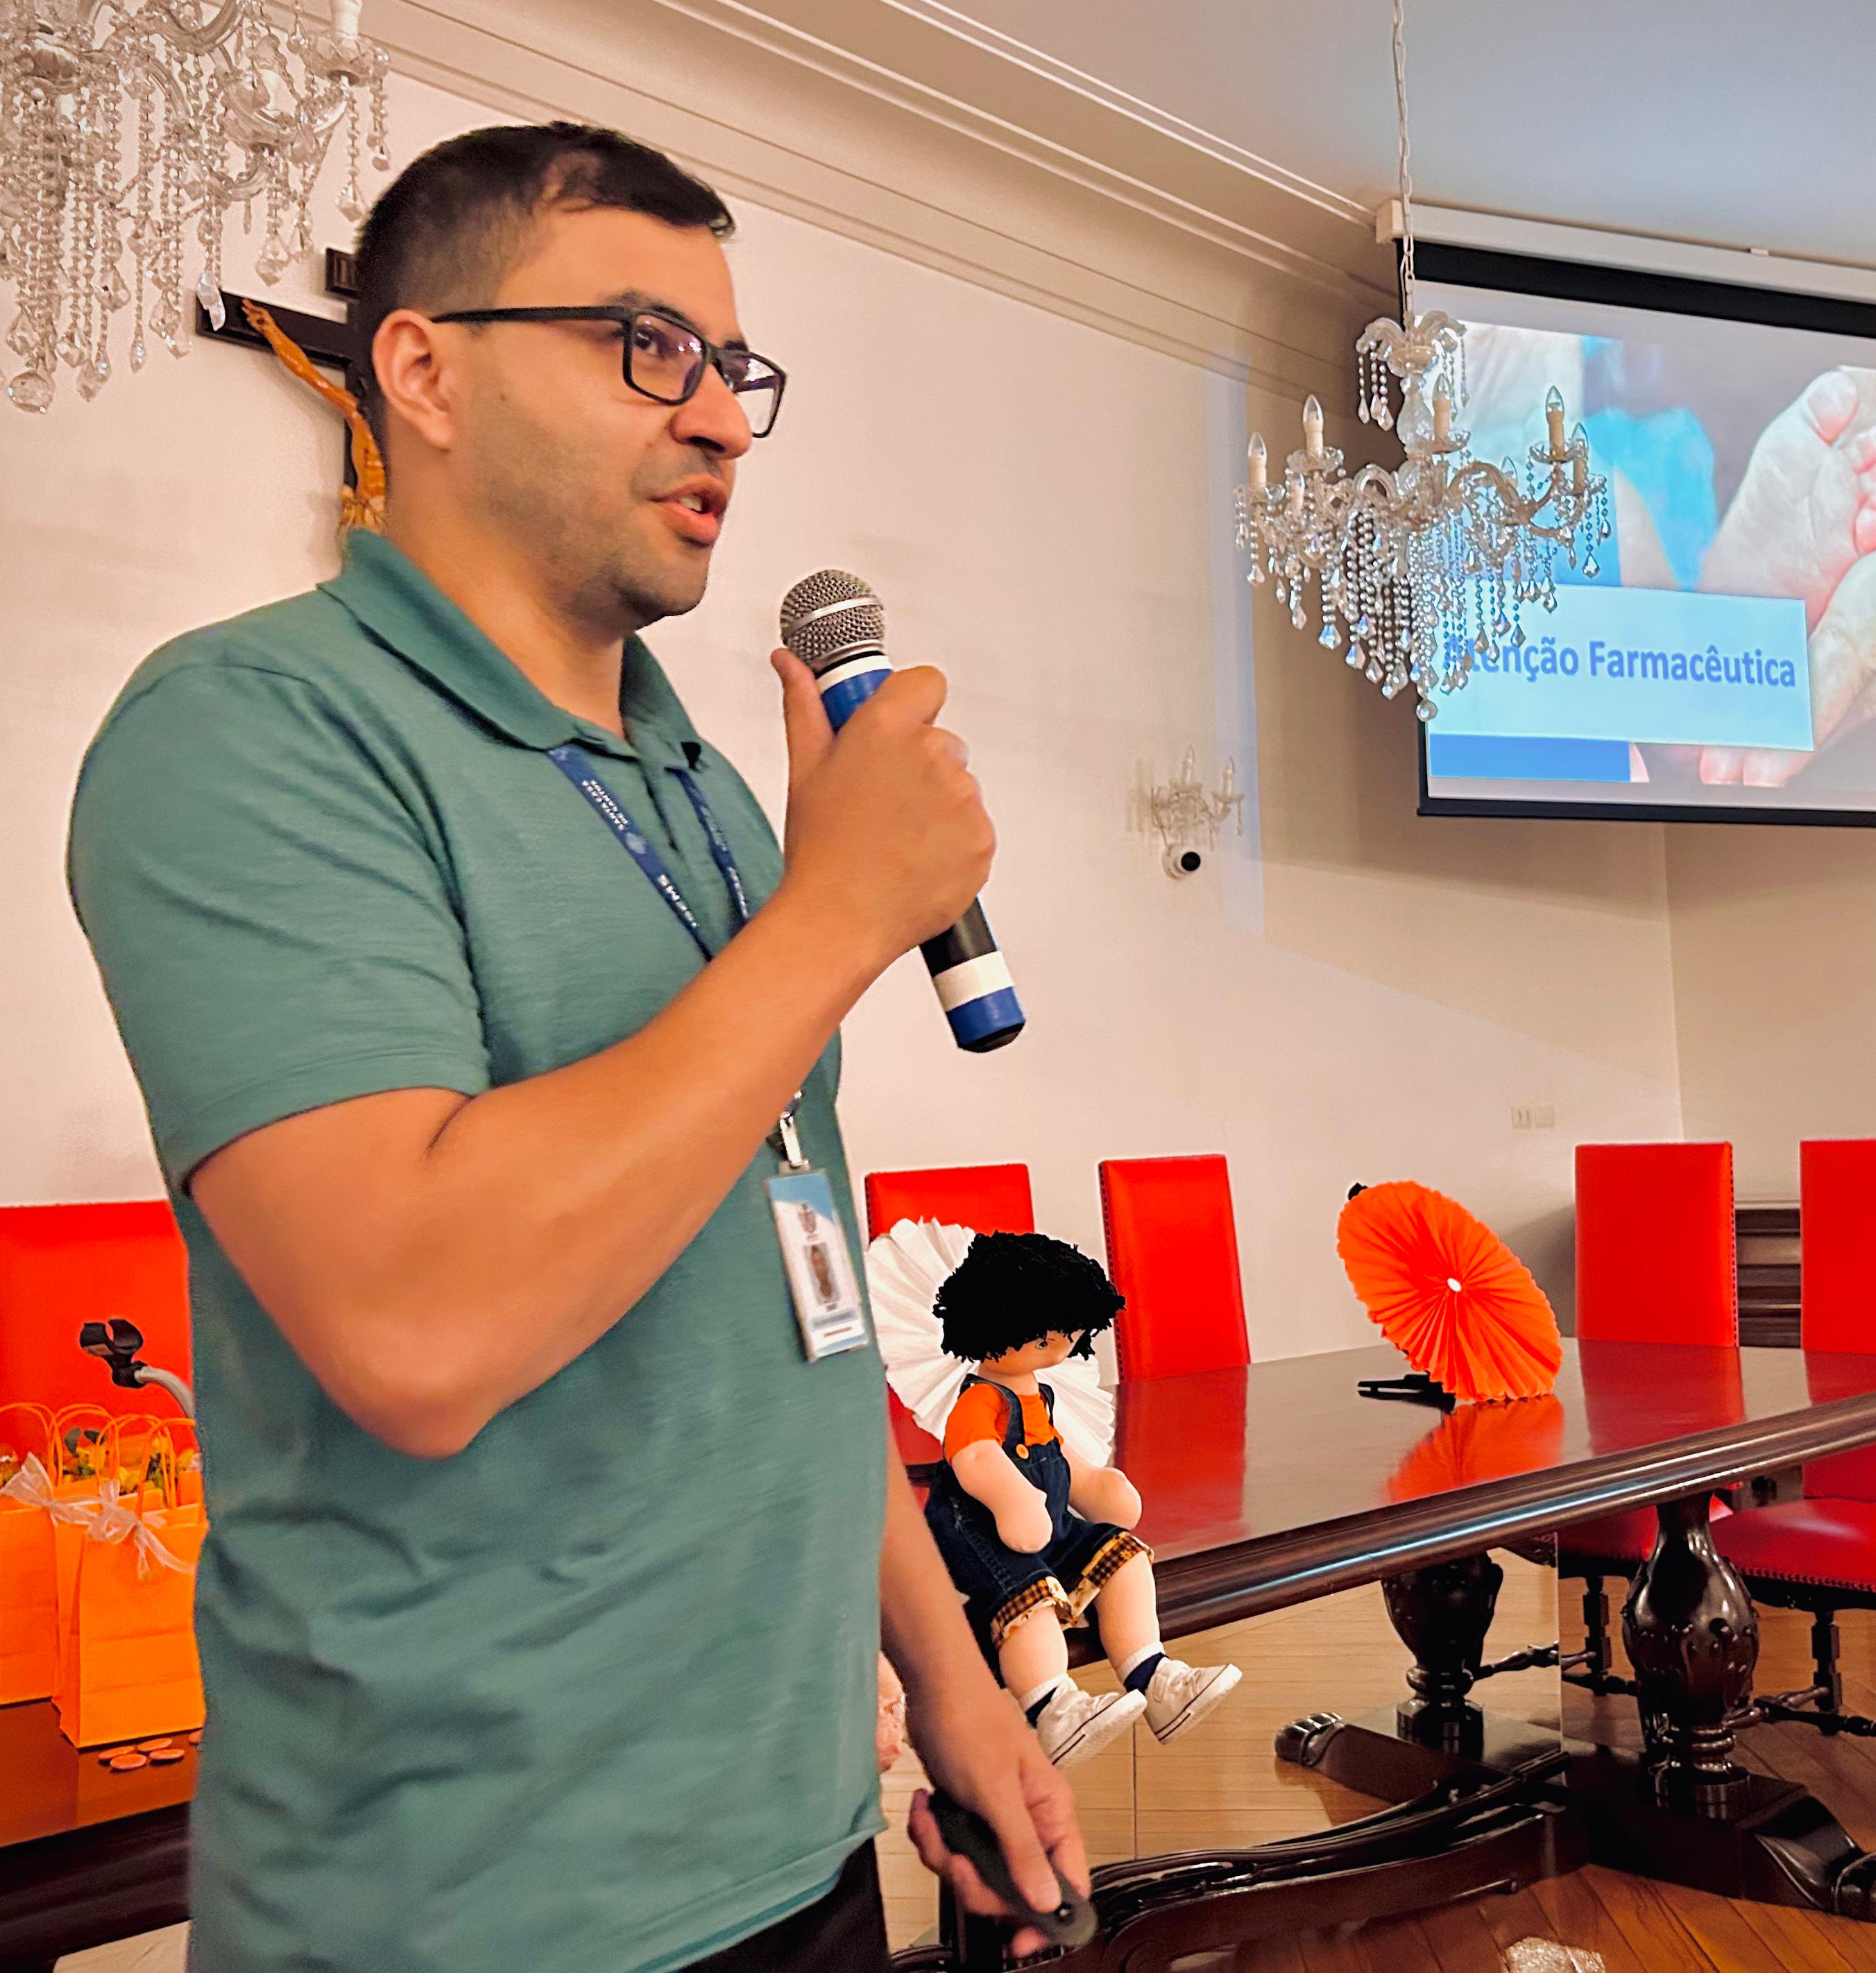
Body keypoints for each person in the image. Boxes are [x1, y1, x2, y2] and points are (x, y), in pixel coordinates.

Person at [67, 121, 1082, 1972]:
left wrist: (953, 1685)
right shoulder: (250, 728)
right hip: (473, 1903)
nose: (722, 422)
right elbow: (414, 1331)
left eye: (734, 368)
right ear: (423, 371)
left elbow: (800, 1301)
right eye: (646, 347)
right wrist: (838, 918)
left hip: (800, 1842)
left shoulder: (707, 791)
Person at [919, 1233, 1241, 1767]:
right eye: (1047, 1335)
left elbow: (1058, 1454)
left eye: (1070, 1332)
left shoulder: (1038, 1396)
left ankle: (1154, 1677)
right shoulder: (981, 1399)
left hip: (1045, 1524)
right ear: (996, 1325)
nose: (1063, 1343)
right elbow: (975, 1458)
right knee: (1029, 1598)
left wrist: (1093, 1485)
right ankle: (1052, 1708)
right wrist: (1012, 1498)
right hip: (982, 1530)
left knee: (1122, 1554)